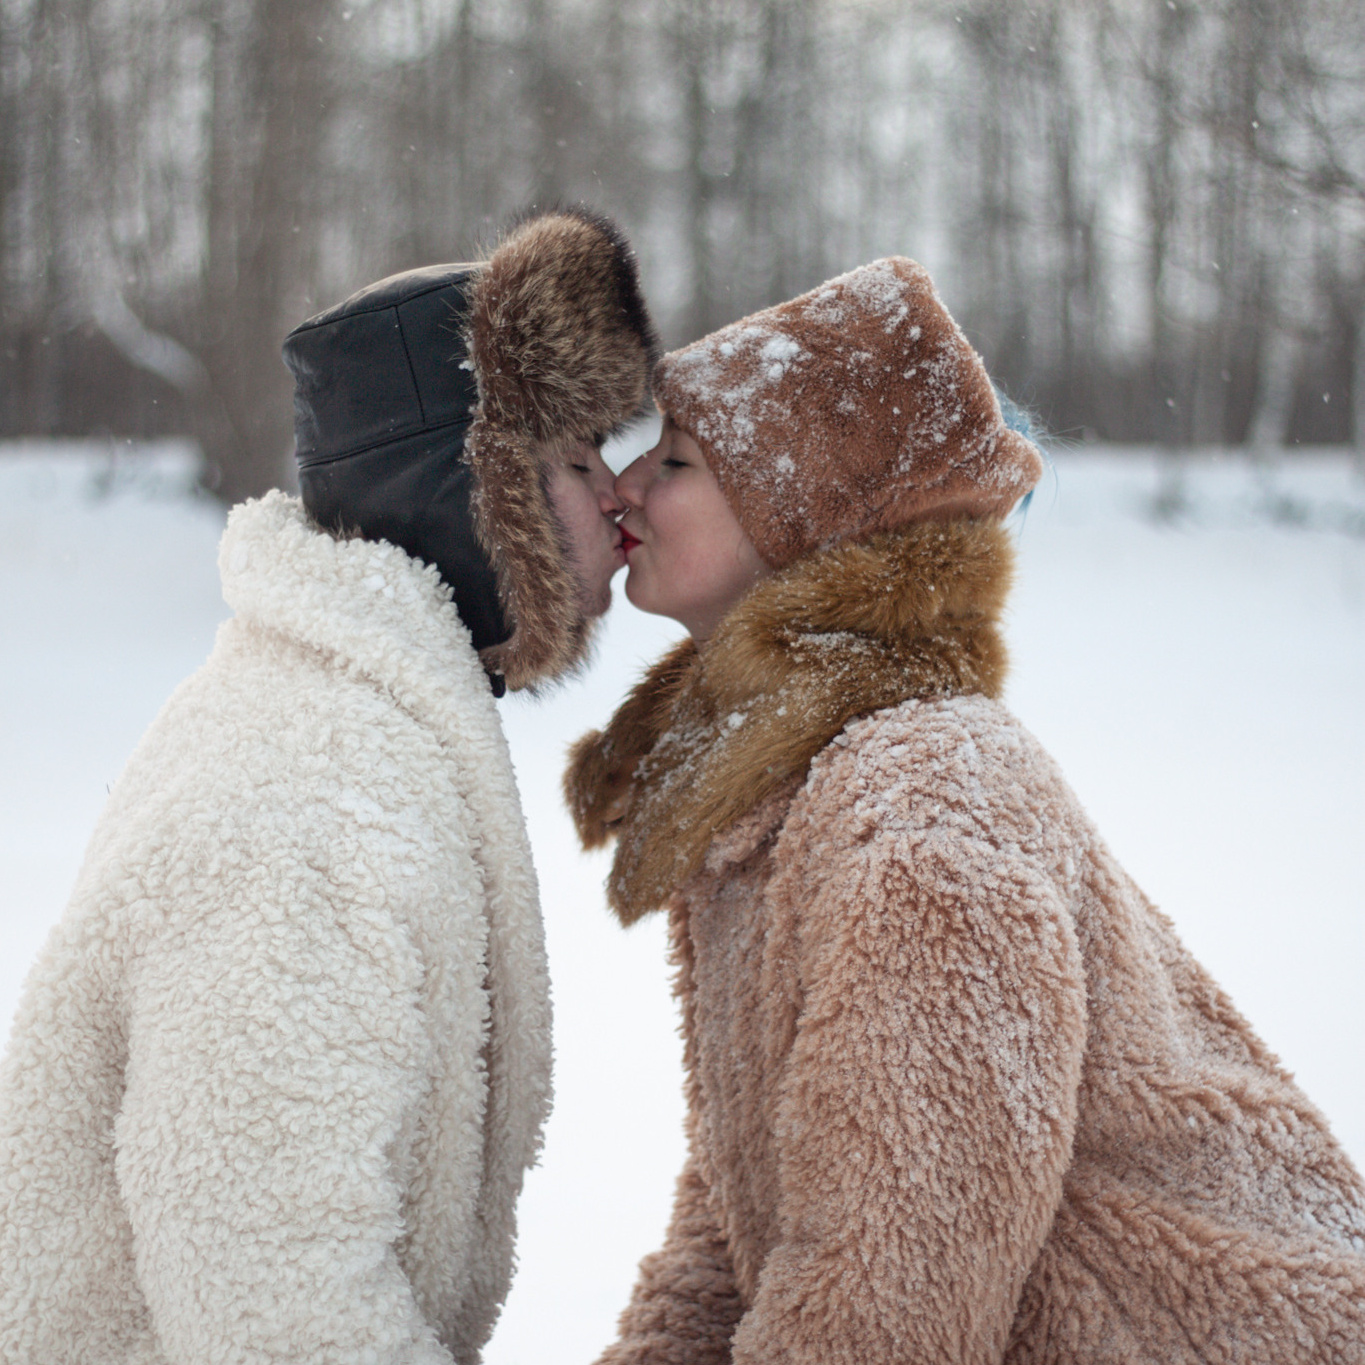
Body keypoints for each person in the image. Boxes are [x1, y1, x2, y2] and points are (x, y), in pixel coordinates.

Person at [565, 256, 1365, 1364]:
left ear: (805, 520)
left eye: (677, 459)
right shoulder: (775, 792)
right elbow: (740, 1220)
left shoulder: (921, 817)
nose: (626, 484)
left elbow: (889, 1305)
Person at [0, 206, 658, 1365]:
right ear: (474, 491)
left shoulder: (340, 704)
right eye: (573, 457)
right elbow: (271, 1292)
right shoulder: (318, 795)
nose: (618, 494)